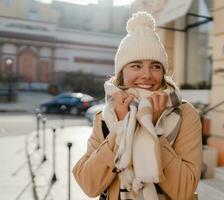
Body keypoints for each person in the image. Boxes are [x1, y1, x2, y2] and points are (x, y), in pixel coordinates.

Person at [72, 11, 202, 200]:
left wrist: (153, 129)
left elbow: (185, 190)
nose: (147, 75)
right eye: (136, 65)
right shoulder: (106, 116)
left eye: (156, 66)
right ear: (122, 72)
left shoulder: (184, 113)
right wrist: (119, 129)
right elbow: (89, 184)